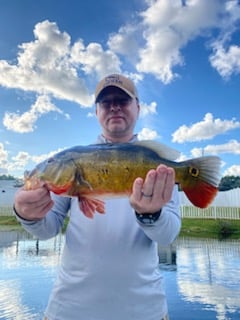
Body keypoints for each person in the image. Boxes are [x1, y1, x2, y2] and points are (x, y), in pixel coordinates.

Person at [14, 73, 181, 320]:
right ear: (96, 111)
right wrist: (27, 215)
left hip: (144, 312)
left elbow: (168, 234)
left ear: (138, 107)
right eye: (105, 102)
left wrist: (151, 214)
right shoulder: (74, 163)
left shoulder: (157, 168)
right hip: (69, 311)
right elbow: (47, 230)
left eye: (122, 100)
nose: (114, 106)